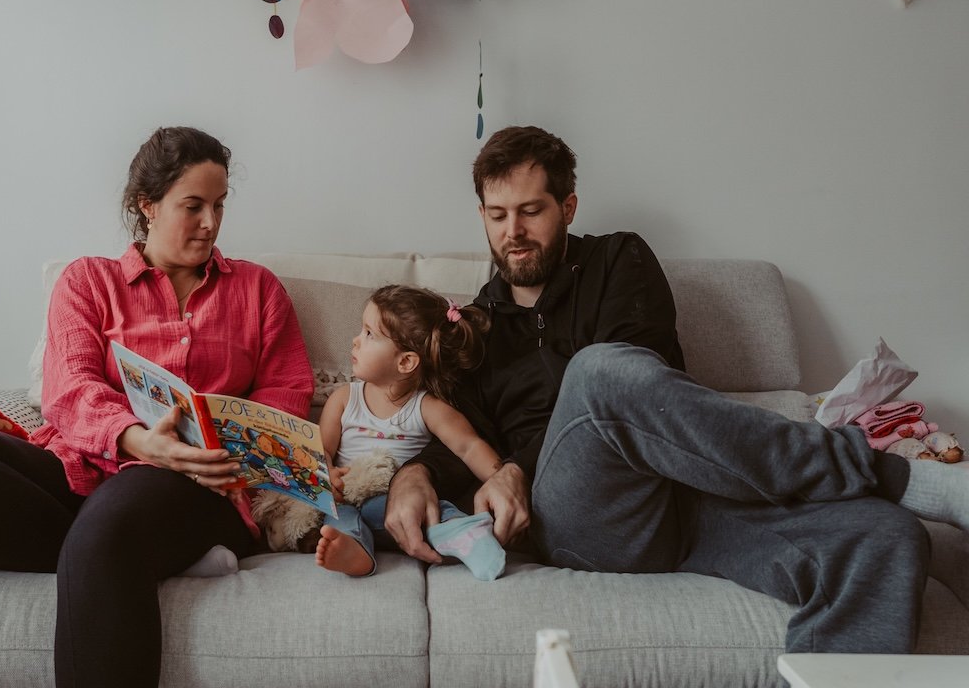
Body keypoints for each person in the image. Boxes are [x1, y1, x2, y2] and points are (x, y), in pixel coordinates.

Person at [384, 124, 969, 654]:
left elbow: (649, 388)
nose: (513, 232)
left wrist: (510, 466)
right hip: (582, 520)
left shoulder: (619, 260)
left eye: (531, 211)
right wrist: (414, 476)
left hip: (694, 500)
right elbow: (456, 436)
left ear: (568, 207)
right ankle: (895, 474)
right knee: (598, 372)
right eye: (497, 214)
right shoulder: (475, 329)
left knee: (886, 538)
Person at [0, 126, 313, 688]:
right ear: (146, 206)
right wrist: (135, 437)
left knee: (109, 528)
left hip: (197, 484)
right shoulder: (88, 282)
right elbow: (70, 385)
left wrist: (205, 448)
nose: (210, 223)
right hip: (84, 467)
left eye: (220, 205)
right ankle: (115, 554)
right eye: (193, 206)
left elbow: (287, 393)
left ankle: (109, 546)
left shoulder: (257, 290)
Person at [314, 285, 507, 581]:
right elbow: (321, 449)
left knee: (430, 511)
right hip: (348, 500)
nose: (355, 341)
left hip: (398, 505)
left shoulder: (426, 407)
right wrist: (327, 473)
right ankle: (355, 550)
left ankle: (465, 535)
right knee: (336, 517)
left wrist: (501, 482)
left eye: (369, 334)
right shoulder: (343, 399)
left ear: (405, 362)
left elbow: (469, 447)